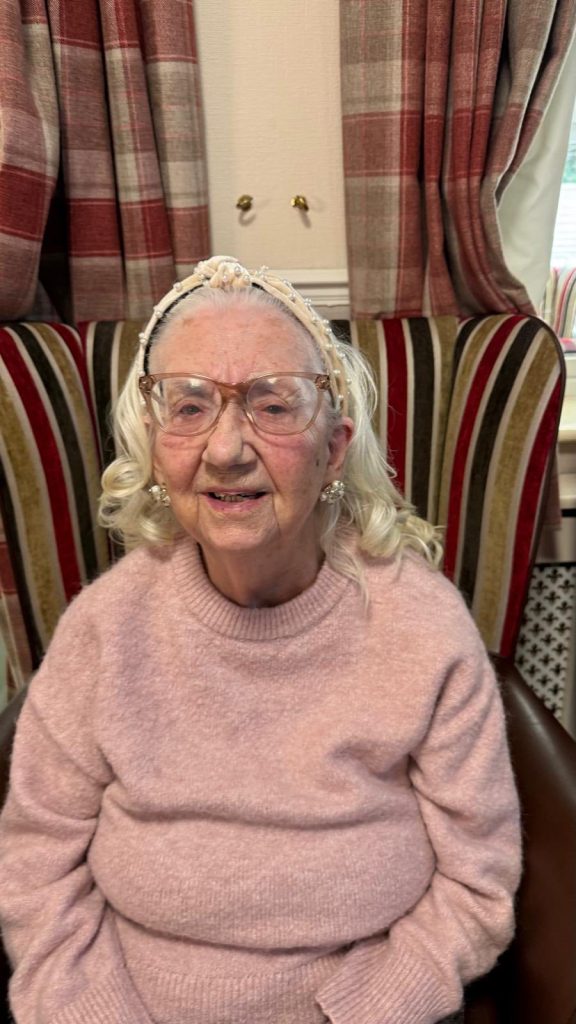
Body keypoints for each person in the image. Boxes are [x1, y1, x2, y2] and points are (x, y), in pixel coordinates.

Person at [0, 255, 521, 1024]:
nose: (225, 449)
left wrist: (365, 1012)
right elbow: (34, 868)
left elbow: (479, 884)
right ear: (154, 445)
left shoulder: (421, 625)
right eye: (189, 407)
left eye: (273, 407)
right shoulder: (105, 631)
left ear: (335, 447)